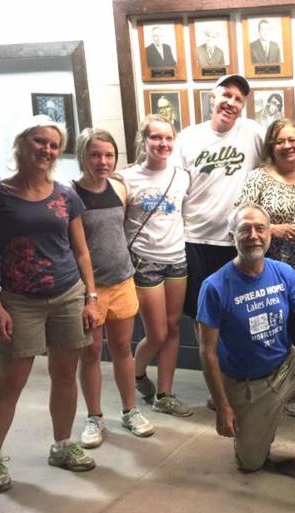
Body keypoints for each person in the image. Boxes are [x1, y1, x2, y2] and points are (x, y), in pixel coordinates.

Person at [0, 115, 101, 492]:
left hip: (67, 295)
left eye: (53, 145)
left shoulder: (65, 195)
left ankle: (62, 445)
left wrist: (91, 297)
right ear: (22, 143)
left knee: (64, 376)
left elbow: (81, 251)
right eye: (40, 142)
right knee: (11, 382)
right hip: (19, 300)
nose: (47, 150)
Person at [196, 205, 295, 474]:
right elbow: (207, 352)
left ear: (269, 233)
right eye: (245, 229)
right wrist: (222, 406)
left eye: (260, 228)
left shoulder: (283, 272)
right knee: (251, 463)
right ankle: (259, 422)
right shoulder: (214, 287)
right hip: (248, 383)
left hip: (289, 364)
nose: (253, 235)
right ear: (231, 236)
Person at [173, 75, 265, 409]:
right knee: (205, 320)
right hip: (196, 238)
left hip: (237, 242)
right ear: (212, 98)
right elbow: (170, 182)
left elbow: (283, 159)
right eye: (226, 95)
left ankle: (239, 380)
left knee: (239, 314)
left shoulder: (252, 132)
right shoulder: (188, 138)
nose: (231, 103)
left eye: (238, 99)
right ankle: (216, 388)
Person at [236, 119, 295, 418]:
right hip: (273, 266)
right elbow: (239, 218)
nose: (288, 146)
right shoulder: (259, 178)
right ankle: (286, 391)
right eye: (280, 141)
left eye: (293, 139)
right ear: (271, 146)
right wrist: (274, 229)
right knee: (280, 328)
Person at [74, 128, 155, 449]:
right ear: (83, 155)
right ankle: (94, 416)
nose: (103, 161)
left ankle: (130, 410)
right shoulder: (70, 194)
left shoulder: (120, 189)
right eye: (95, 154)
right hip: (89, 289)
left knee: (122, 348)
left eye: (109, 155)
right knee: (91, 353)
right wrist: (87, 293)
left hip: (122, 281)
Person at [121, 114, 193, 418]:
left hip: (176, 258)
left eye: (168, 138)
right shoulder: (126, 178)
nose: (163, 143)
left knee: (174, 327)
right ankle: (137, 374)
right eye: (156, 137)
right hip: (144, 259)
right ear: (144, 140)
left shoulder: (182, 176)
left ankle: (164, 394)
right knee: (157, 333)